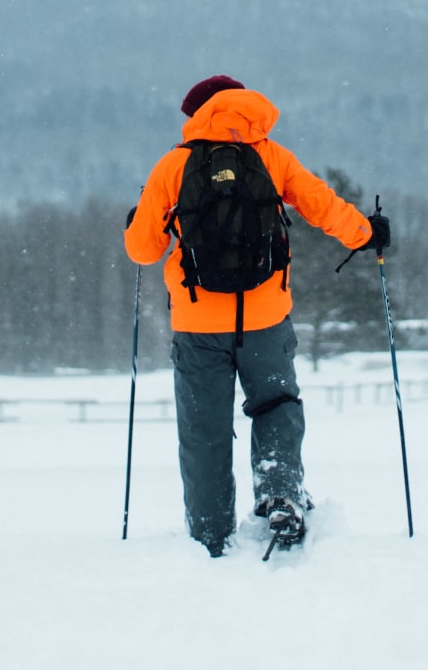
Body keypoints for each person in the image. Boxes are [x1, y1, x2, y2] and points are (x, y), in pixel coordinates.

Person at [124, 75, 389, 557]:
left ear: (198, 115)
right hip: (265, 317)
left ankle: (210, 535)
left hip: (198, 323)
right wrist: (366, 233)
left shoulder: (174, 165)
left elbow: (143, 250)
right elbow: (321, 206)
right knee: (275, 405)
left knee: (203, 428)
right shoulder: (272, 156)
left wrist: (137, 221)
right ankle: (280, 491)